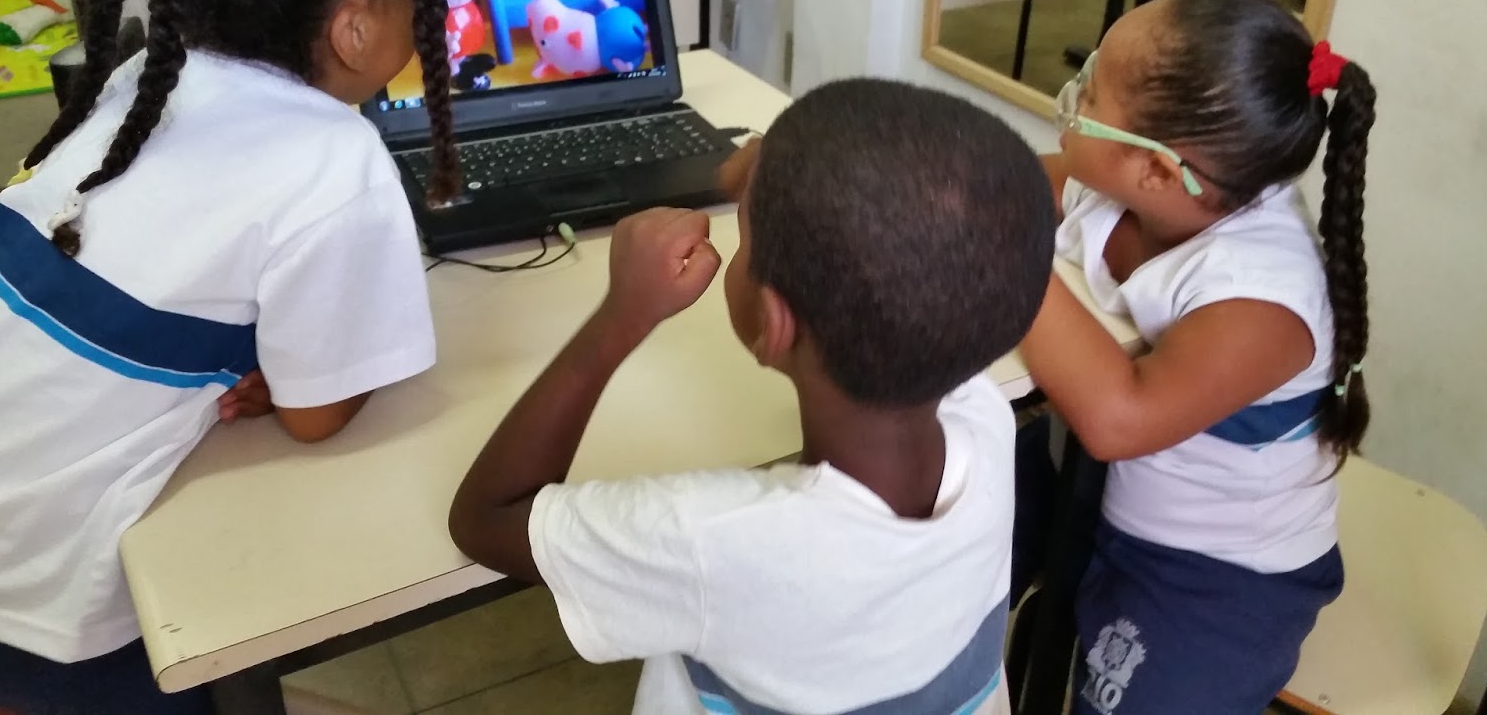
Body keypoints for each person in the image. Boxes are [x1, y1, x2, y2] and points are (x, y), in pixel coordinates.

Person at [0, 0, 458, 713]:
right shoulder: (333, 162)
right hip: (32, 606)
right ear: (354, 27)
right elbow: (315, 419)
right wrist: (296, 377)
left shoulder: (141, 80)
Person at [449, 79, 1057, 714]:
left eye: (743, 235)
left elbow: (484, 519)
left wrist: (623, 314)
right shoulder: (988, 420)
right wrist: (797, 172)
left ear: (773, 323)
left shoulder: (711, 542)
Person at [1018, 0, 1377, 715]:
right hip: (1095, 485)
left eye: (1092, 87)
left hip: (1216, 572)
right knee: (929, 544)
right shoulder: (1130, 188)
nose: (1074, 93)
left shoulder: (1264, 295)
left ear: (1158, 168)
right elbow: (1006, 184)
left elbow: (1120, 419)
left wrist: (998, 250)